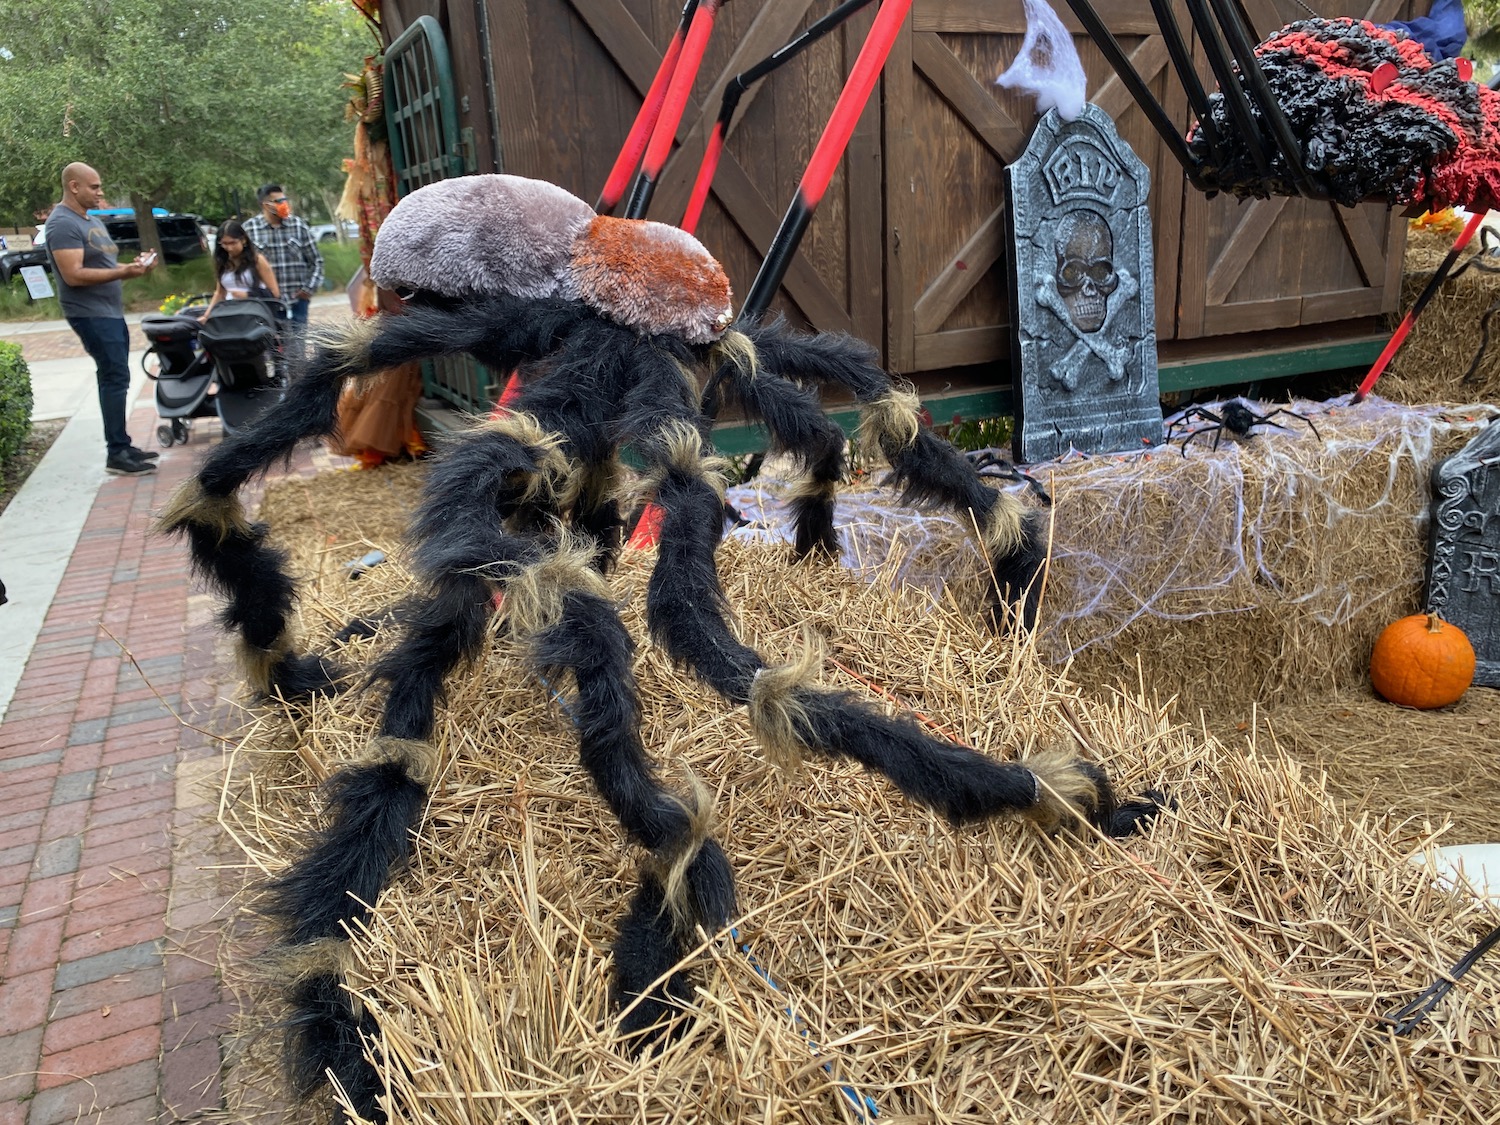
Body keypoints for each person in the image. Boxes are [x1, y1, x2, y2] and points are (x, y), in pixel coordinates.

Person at [47, 162, 159, 476]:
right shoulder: (62, 223)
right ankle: (117, 452)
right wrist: (124, 272)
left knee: (116, 377)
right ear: (74, 187)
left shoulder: (89, 221)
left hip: (109, 312)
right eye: (94, 187)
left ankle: (122, 444)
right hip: (90, 314)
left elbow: (104, 267)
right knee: (114, 377)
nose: (100, 192)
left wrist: (134, 268)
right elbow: (73, 275)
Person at [243, 183, 323, 331]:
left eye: (284, 200)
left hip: (297, 301)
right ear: (265, 204)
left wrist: (308, 289)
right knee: (270, 343)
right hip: (266, 303)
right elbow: (242, 266)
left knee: (298, 343)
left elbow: (316, 261)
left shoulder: (298, 226)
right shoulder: (249, 230)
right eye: (278, 201)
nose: (284, 204)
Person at [198, 218, 279, 321]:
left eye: (233, 243)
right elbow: (220, 293)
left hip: (255, 314)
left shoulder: (257, 261)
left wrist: (248, 295)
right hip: (231, 313)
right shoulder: (223, 262)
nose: (229, 248)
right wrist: (207, 316)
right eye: (224, 244)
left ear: (243, 240)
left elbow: (274, 293)